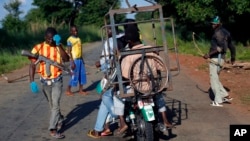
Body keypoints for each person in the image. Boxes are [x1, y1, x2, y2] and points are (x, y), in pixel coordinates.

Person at [121, 26, 174, 129]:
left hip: (136, 88)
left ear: (129, 42)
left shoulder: (128, 55)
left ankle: (122, 122)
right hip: (152, 87)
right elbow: (162, 67)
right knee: (159, 94)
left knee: (116, 96)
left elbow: (125, 76)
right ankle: (165, 119)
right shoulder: (151, 50)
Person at [29, 27, 69, 139]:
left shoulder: (57, 47)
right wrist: (32, 81)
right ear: (45, 37)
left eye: (52, 38)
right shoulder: (39, 47)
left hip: (57, 80)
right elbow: (32, 65)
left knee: (55, 105)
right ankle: (60, 119)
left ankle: (53, 129)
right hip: (44, 82)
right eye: (48, 38)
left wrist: (59, 44)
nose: (50, 41)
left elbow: (66, 59)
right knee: (52, 105)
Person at [87, 26, 127, 139]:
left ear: (111, 31)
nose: (106, 32)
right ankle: (100, 129)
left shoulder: (109, 42)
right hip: (128, 76)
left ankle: (117, 117)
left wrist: (99, 64)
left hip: (116, 76)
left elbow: (106, 64)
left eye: (108, 30)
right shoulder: (126, 39)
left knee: (105, 96)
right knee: (105, 99)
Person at [203, 16, 236, 107]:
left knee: (213, 80)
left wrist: (208, 55)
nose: (212, 25)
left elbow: (220, 48)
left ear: (219, 24)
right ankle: (225, 95)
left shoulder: (218, 33)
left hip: (216, 59)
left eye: (214, 24)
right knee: (216, 79)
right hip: (221, 60)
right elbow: (232, 46)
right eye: (212, 23)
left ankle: (218, 101)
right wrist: (233, 57)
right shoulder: (226, 33)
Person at [65, 25, 88, 96]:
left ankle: (81, 90)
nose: (75, 32)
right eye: (74, 31)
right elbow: (69, 51)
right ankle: (68, 90)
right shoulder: (70, 40)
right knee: (74, 76)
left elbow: (80, 50)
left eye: (76, 31)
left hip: (80, 59)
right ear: (71, 32)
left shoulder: (79, 39)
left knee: (82, 75)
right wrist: (72, 62)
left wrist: (82, 59)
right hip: (74, 60)